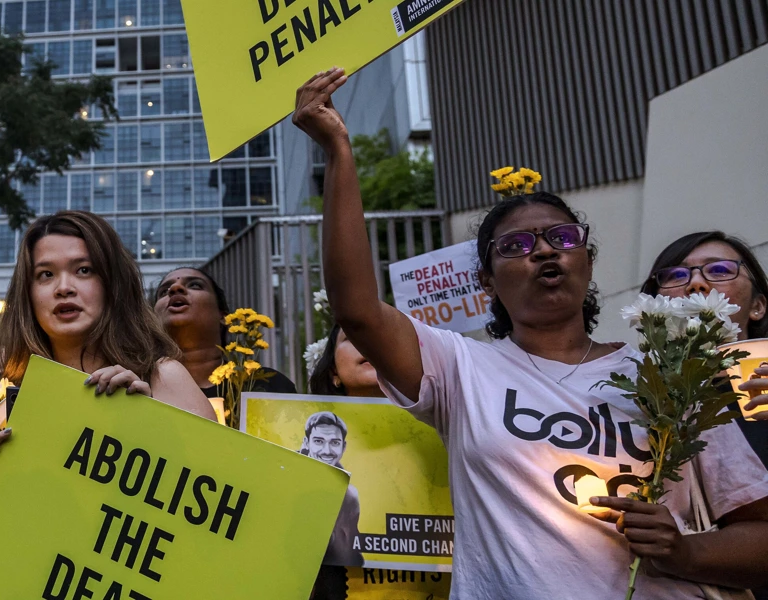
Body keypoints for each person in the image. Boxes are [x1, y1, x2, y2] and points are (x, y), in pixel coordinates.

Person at [295, 67, 768, 597]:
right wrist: (339, 152)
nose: (544, 250)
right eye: (515, 246)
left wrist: (687, 550)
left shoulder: (672, 377)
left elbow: (759, 533)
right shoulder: (460, 369)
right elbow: (356, 310)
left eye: (561, 237)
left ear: (587, 261)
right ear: (486, 282)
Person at [0, 211, 217, 476]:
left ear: (112, 283)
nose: (63, 287)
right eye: (45, 274)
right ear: (27, 294)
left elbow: (224, 493)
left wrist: (151, 426)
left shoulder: (163, 378)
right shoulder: (12, 403)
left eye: (84, 270)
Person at [308, 325, 452, 599]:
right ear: (333, 373)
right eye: (352, 337)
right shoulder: (297, 444)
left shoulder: (456, 428)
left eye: (383, 333)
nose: (370, 341)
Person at [641, 231, 768, 421]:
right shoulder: (638, 400)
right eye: (676, 274)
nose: (696, 283)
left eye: (719, 270)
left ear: (757, 306)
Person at [153, 266, 297, 398]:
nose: (175, 288)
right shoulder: (138, 388)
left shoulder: (266, 386)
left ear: (223, 316)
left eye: (195, 285)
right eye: (164, 291)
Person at [298, 411, 364, 568]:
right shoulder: (284, 477)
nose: (327, 451)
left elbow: (349, 555)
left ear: (343, 446)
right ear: (306, 443)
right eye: (319, 441)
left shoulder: (349, 496)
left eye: (334, 442)